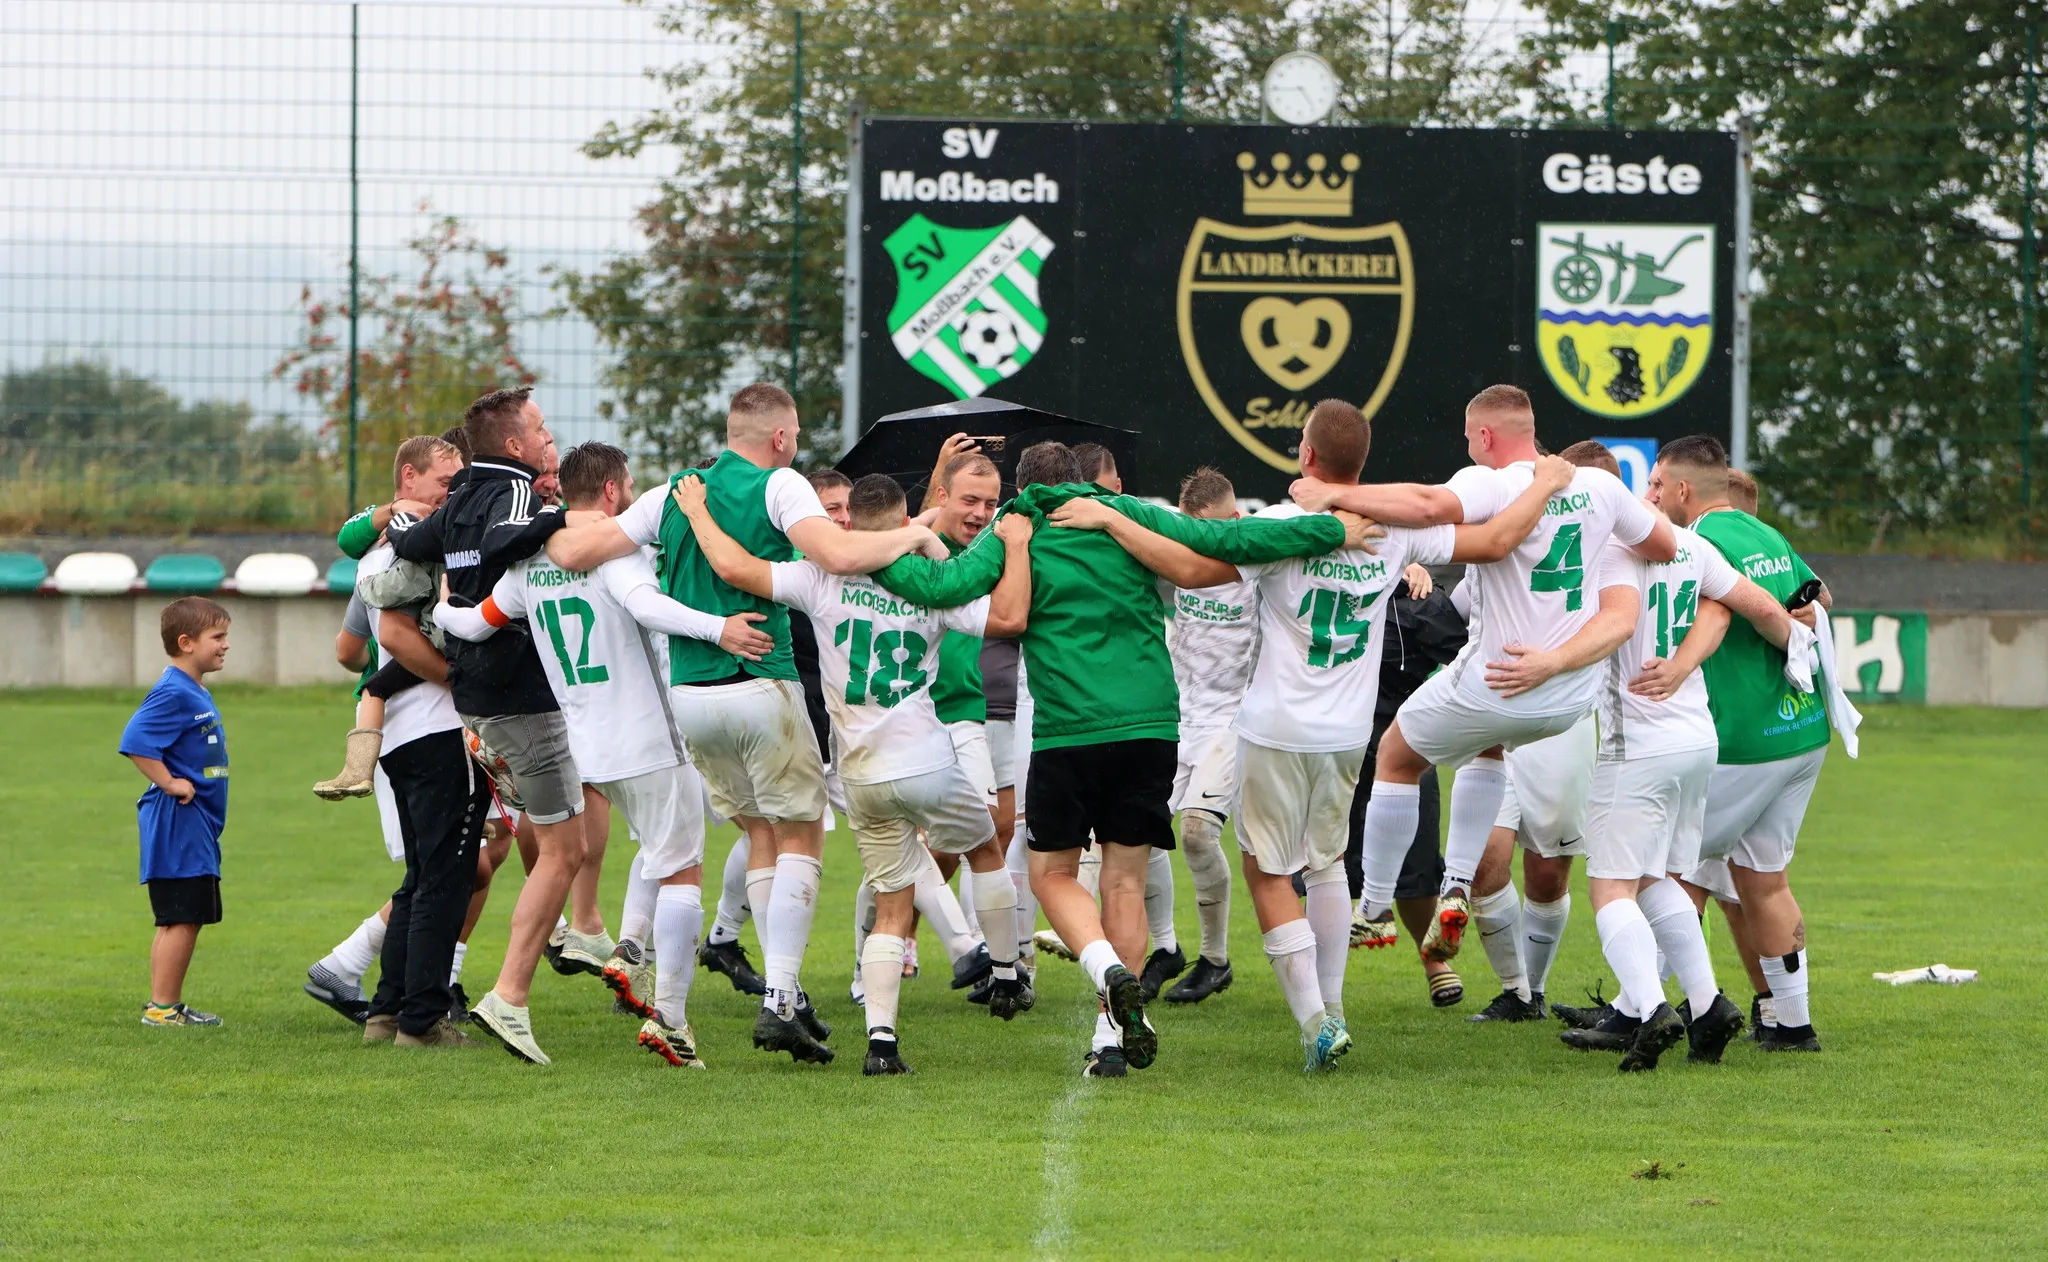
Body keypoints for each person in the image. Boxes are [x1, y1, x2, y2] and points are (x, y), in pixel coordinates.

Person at [1062, 404, 1574, 1069]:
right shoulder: (1393, 531)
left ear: (1307, 456)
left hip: (1275, 728)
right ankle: (1332, 1007)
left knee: (1268, 870)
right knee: (1327, 865)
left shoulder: (1280, 526)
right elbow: (1498, 540)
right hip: (1348, 732)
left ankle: (1315, 1024)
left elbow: (1191, 568)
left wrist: (1112, 517)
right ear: (1360, 462)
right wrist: (1543, 484)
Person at [871, 440, 1369, 1077]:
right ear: (1085, 482)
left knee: (1052, 875)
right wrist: (1332, 528)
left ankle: (1105, 970)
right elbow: (1227, 540)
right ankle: (1111, 1039)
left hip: (1067, 731)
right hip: (1152, 725)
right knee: (1125, 881)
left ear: (1021, 489)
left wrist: (867, 553)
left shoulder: (1015, 527)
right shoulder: (1127, 515)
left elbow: (945, 586)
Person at [546, 382, 941, 1063]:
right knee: (803, 833)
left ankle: (747, 996)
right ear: (781, 439)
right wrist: (917, 530)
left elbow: (573, 552)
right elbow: (841, 556)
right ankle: (781, 995)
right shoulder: (782, 485)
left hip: (692, 699)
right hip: (761, 680)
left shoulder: (673, 490)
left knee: (759, 830)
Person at [1295, 384, 1676, 965]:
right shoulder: (1600, 485)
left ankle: (1372, 909)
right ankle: (1455, 886)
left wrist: (1327, 493)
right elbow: (1662, 544)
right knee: (1488, 747)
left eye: (1470, 437)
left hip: (1501, 677)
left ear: (1485, 436)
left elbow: (1427, 505)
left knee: (1397, 753)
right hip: (1570, 695)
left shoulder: (1491, 481)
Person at [675, 471, 1035, 1071]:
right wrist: (1011, 546)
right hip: (926, 759)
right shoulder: (930, 586)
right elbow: (1007, 617)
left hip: (861, 774)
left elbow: (737, 569)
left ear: (850, 526)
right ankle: (1002, 974)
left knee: (892, 905)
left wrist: (698, 514)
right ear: (900, 524)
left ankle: (882, 1045)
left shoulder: (822, 579)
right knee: (985, 850)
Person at [436, 442, 777, 1068]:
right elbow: (645, 605)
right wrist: (718, 628)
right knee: (682, 871)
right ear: (616, 492)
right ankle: (671, 1022)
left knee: (643, 853)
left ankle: (572, 973)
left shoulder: (529, 561)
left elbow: (473, 625)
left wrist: (439, 601)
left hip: (585, 748)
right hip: (647, 739)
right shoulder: (615, 550)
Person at [1551, 440, 1811, 1070]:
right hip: (1697, 739)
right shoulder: (1692, 546)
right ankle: (1707, 1003)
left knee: (1610, 886)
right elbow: (1750, 606)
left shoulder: (1607, 554)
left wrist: (1546, 664)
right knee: (1662, 880)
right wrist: (1800, 657)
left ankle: (1646, 1009)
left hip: (1636, 744)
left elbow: (1605, 625)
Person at [388, 386, 588, 1063]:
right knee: (561, 851)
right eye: (538, 427)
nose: (546, 435)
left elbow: (413, 542)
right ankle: (514, 991)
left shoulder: (459, 499)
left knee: (498, 850)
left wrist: (384, 520)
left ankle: (407, 1002)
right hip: (521, 697)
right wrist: (558, 523)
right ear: (515, 445)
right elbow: (509, 542)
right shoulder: (518, 496)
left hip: (471, 701)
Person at [1648, 434, 1843, 1052]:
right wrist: (1798, 619)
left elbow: (1728, 615)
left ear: (1683, 490)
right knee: (1764, 879)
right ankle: (1792, 1025)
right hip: (1802, 730)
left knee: (1669, 870)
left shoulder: (1696, 542)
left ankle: (1644, 1010)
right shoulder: (1766, 534)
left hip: (1744, 738)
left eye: (1657, 485)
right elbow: (1823, 599)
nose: (1652, 497)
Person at [1341, 566, 1470, 1010]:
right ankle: (1320, 981)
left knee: (1417, 871)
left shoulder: (1415, 598)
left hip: (1405, 744)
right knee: (1323, 867)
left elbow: (1469, 659)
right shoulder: (1315, 582)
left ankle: (1434, 960)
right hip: (1331, 745)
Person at [316, 435, 466, 799]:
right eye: (446, 484)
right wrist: (395, 512)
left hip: (429, 724)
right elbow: (348, 536)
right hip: (424, 724)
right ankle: (356, 770)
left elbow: (348, 650)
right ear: (410, 475)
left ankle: (357, 769)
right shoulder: (377, 546)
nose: (454, 493)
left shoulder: (447, 528)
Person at [1152, 466, 1254, 1005]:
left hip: (1233, 721)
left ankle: (1214, 960)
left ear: (1234, 521)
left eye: (1209, 532)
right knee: (1132, 832)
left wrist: (1412, 564)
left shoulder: (1262, 562)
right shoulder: (1180, 555)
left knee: (1195, 833)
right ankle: (1159, 948)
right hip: (1177, 718)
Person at [121, 597, 233, 1028]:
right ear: (186, 643)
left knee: (186, 915)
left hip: (196, 823)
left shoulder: (192, 689)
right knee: (180, 916)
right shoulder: (173, 690)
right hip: (178, 821)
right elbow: (135, 740)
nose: (225, 646)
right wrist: (170, 782)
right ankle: (162, 1008)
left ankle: (166, 1004)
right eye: (217, 637)